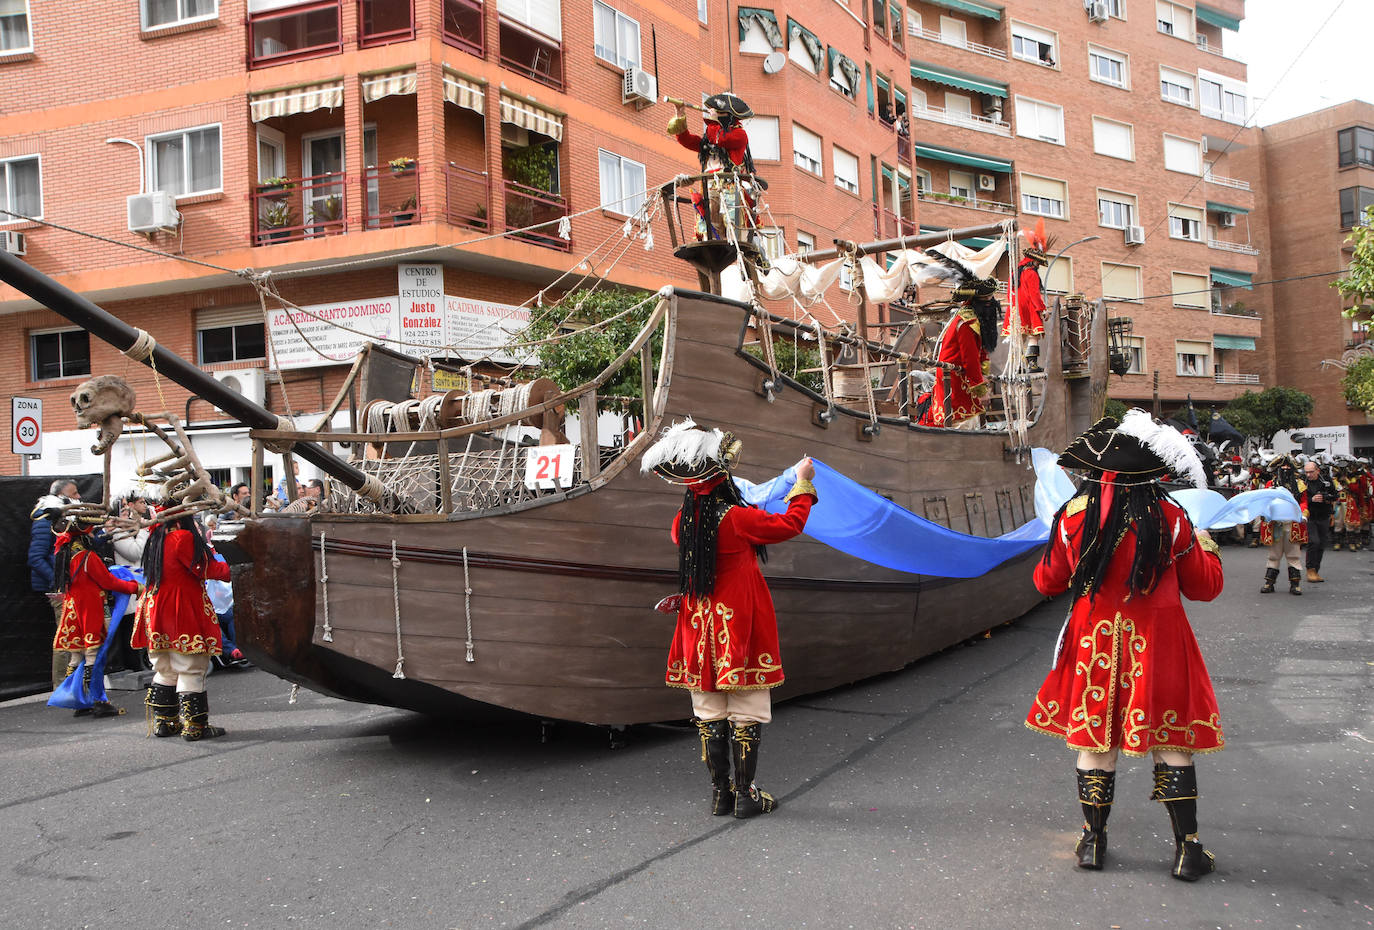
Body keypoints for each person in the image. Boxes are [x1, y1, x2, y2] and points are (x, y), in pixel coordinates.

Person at [1026, 409, 1224, 881]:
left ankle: (1093, 841)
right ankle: (1186, 849)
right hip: (1160, 640)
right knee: (1172, 737)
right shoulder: (1173, 516)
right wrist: (1206, 545)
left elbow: (1046, 582)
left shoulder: (1074, 516)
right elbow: (1204, 587)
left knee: (1096, 739)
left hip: (1095, 635)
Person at [640, 419, 817, 819]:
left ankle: (721, 793)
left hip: (697, 623)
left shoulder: (681, 523)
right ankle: (745, 795)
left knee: (708, 709)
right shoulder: (737, 518)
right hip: (738, 621)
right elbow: (790, 523)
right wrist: (802, 483)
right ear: (722, 476)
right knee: (747, 706)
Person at [133, 514, 232, 741]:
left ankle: (165, 722)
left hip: (156, 604)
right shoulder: (181, 537)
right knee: (191, 666)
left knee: (165, 668)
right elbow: (204, 568)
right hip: (180, 606)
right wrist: (231, 567)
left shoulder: (156, 536)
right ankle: (195, 726)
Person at [51, 515, 140, 718]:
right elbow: (108, 582)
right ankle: (98, 700)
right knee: (94, 655)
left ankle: (79, 700)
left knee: (77, 655)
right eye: (90, 531)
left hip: (73, 608)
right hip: (90, 608)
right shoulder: (86, 557)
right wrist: (135, 586)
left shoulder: (63, 553)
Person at [666, 93, 764, 248]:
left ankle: (744, 251)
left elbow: (721, 139)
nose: (711, 114)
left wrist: (714, 121)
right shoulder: (711, 137)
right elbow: (686, 140)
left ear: (728, 116)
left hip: (730, 188)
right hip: (710, 187)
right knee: (711, 225)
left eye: (718, 111)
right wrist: (680, 113)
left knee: (733, 224)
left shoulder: (739, 135)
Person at [918, 280, 1000, 429]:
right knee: (962, 420)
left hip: (960, 375)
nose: (992, 302)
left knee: (968, 417)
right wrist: (981, 390)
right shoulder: (967, 322)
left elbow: (979, 352)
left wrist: (983, 375)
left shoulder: (971, 318)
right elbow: (970, 358)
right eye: (988, 299)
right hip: (955, 376)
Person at [30, 479, 80, 687]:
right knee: (65, 637)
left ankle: (72, 683)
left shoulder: (63, 519)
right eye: (74, 493)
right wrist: (58, 582)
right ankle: (62, 685)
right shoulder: (46, 520)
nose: (78, 497)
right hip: (59, 590)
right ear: (60, 496)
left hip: (69, 586)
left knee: (72, 637)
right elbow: (36, 557)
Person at [1005, 218, 1051, 372]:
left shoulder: (1014, 272)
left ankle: (1017, 366)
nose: (1039, 266)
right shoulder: (1031, 273)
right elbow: (1034, 294)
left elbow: (1009, 293)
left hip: (1014, 308)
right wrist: (1042, 309)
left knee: (1020, 338)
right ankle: (1032, 365)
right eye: (1038, 263)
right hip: (1028, 308)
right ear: (1035, 262)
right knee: (1033, 336)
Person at [1259, 455, 1307, 594]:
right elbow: (1265, 502)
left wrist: (1304, 514)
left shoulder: (1299, 484)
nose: (1286, 469)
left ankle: (1295, 584)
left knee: (1293, 555)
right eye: (1283, 467)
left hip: (1293, 523)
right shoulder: (1270, 485)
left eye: (1288, 466)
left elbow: (1303, 502)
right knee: (1274, 554)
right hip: (1275, 523)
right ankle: (1269, 582)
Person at [1302, 459, 1335, 583]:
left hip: (1324, 515)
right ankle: (1310, 569)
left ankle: (1316, 570)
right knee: (1313, 542)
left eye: (1311, 472)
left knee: (1321, 543)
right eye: (1306, 472)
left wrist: (1325, 497)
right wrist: (1311, 499)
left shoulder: (1326, 480)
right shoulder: (1302, 482)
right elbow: (1298, 498)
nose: (1308, 475)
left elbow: (1335, 495)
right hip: (1310, 516)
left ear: (1317, 470)